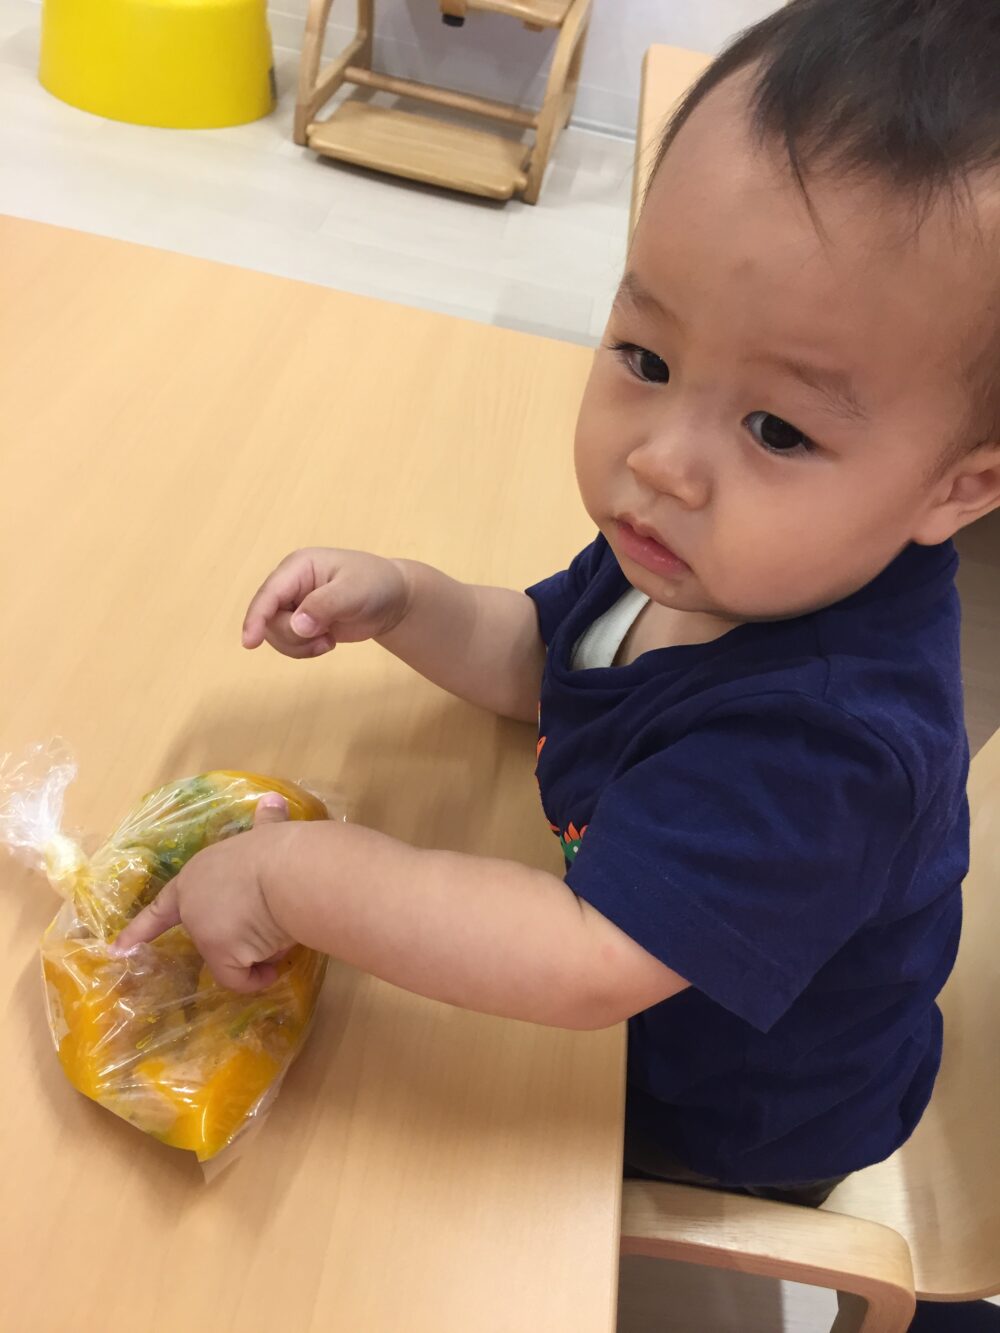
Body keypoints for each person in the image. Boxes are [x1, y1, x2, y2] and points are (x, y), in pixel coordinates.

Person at [113, 0, 1000, 1207]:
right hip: (618, 975)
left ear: (957, 488)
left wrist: (293, 880)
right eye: (647, 357)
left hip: (723, 1110)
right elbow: (549, 651)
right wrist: (408, 600)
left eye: (778, 429)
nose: (661, 461)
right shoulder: (707, 553)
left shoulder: (830, 739)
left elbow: (583, 963)